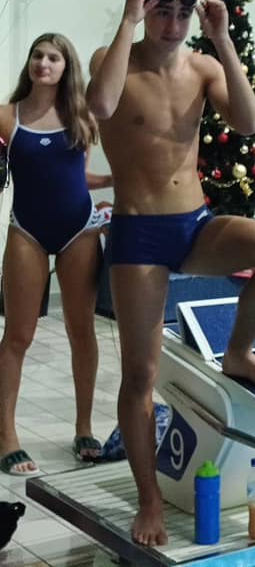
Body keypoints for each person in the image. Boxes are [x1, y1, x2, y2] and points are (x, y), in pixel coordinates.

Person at [87, 0, 255, 547]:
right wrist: (127, 20)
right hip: (137, 236)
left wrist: (223, 38)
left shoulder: (203, 66)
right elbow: (100, 106)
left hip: (194, 223)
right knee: (140, 374)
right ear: (145, 11)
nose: (174, 24)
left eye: (183, 14)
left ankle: (239, 353)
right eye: (163, 11)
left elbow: (250, 122)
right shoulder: (115, 59)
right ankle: (149, 500)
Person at [0, 33, 112, 476]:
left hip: (79, 230)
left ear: (67, 68)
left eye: (53, 57)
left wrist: (116, 184)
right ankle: (7, 436)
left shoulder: (82, 115)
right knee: (18, 335)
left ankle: (84, 428)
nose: (43, 63)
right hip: (26, 231)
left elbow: (77, 177)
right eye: (37, 55)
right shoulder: (7, 116)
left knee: (82, 332)